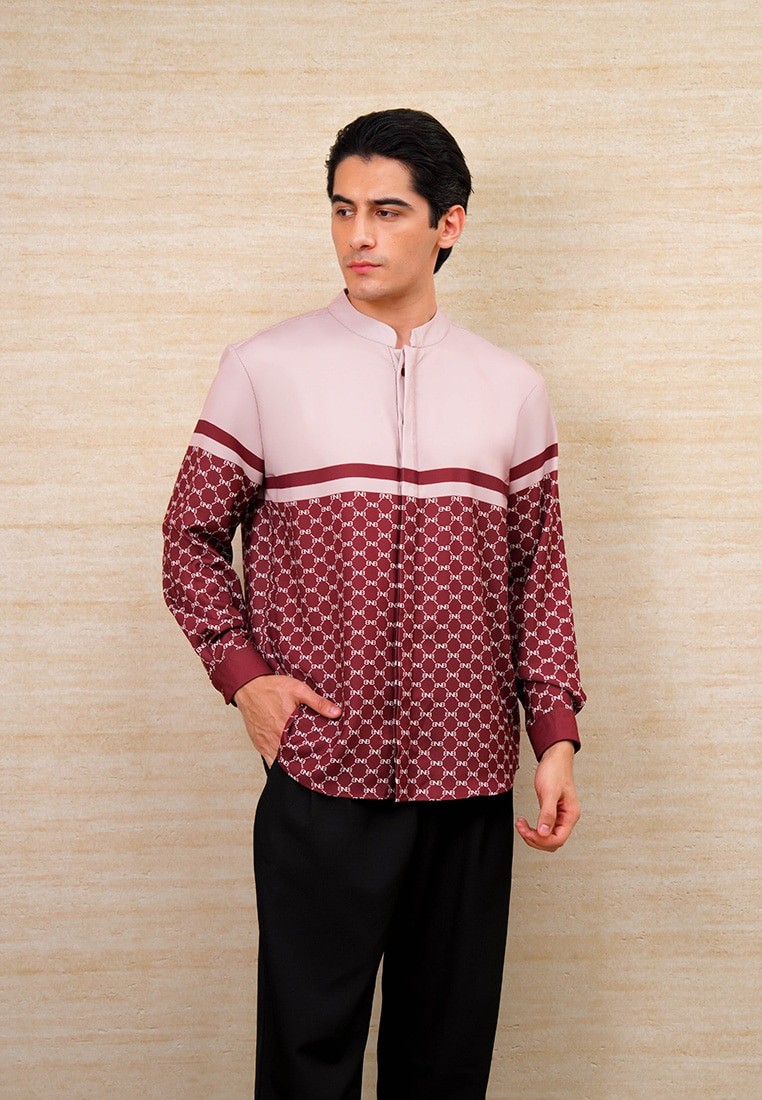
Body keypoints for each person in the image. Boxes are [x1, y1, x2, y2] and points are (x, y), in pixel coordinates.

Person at [162, 108, 586, 1100]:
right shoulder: (264, 368)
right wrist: (247, 680)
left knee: (445, 1066)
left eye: (387, 211)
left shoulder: (512, 388)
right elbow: (188, 538)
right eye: (343, 209)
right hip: (323, 774)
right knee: (307, 1061)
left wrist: (554, 734)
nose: (358, 235)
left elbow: (538, 574)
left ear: (448, 223)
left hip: (468, 782)